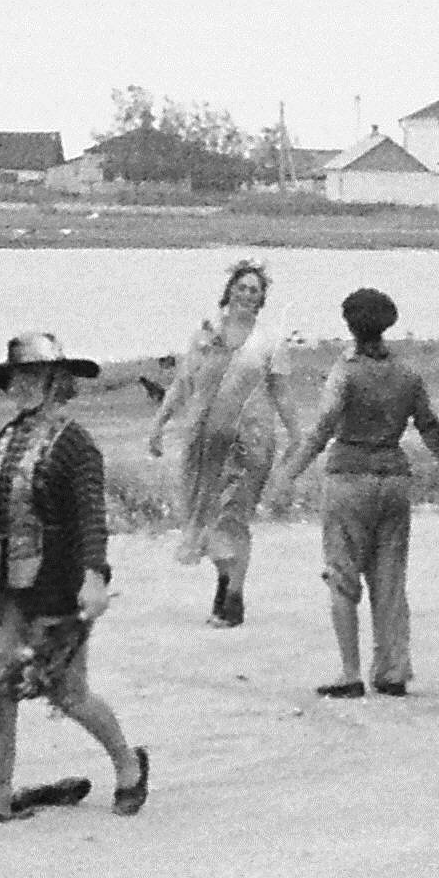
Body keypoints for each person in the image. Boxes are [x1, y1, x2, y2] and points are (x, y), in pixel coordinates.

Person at [0, 332, 149, 827]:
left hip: (55, 586)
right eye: (18, 378)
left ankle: (127, 763)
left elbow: (90, 519)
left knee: (67, 692)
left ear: (59, 382)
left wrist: (94, 577)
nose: (24, 387)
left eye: (36, 377)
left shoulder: (75, 443)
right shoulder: (7, 437)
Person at [276, 288, 439, 699]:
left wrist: (288, 474)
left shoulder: (345, 372)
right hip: (394, 476)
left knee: (343, 577)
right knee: (390, 578)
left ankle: (350, 671)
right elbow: (430, 431)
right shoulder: (407, 374)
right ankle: (393, 667)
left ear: (349, 324)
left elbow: (324, 427)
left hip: (349, 475)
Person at [148, 259, 298, 629]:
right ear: (229, 290)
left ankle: (233, 595)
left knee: (234, 517)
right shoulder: (204, 336)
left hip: (250, 443)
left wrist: (298, 436)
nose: (247, 294)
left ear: (262, 299)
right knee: (202, 515)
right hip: (204, 442)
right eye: (242, 287)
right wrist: (158, 424)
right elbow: (183, 384)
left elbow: (282, 392)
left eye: (255, 290)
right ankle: (223, 576)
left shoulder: (270, 342)